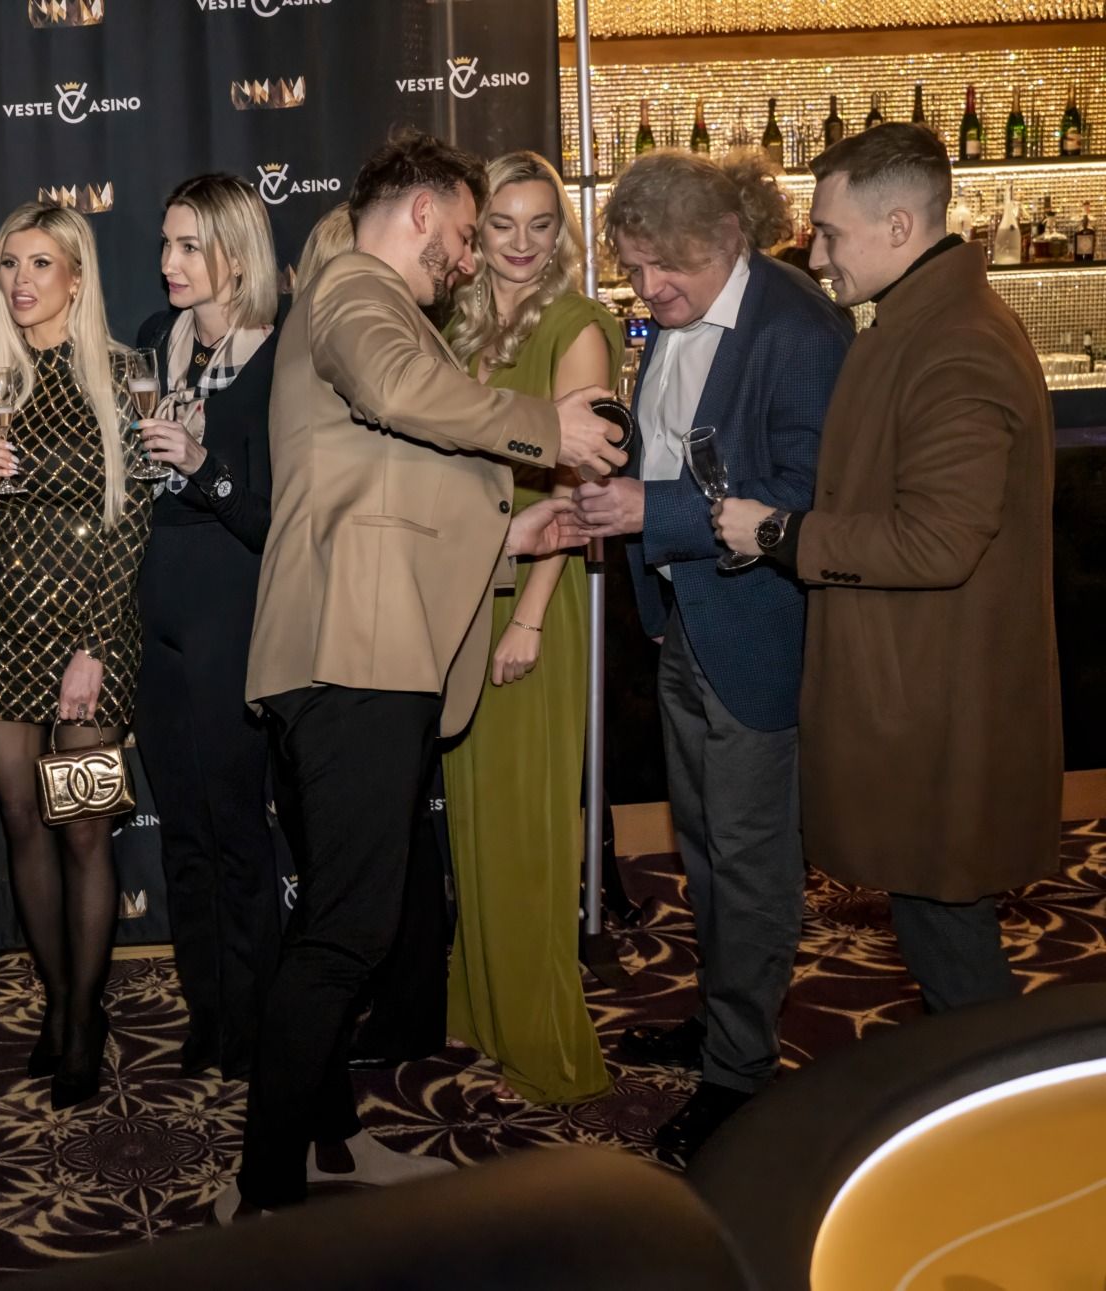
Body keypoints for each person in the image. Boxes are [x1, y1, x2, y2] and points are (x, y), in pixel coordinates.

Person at [224, 129, 623, 1222]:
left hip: (359, 645)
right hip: (353, 654)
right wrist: (547, 427)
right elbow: (400, 392)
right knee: (349, 932)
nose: (468, 256)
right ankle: (264, 1202)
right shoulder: (358, 289)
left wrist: (516, 532)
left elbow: (388, 487)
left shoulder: (367, 305)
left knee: (340, 918)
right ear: (421, 212)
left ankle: (330, 1145)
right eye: (463, 233)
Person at [712, 123, 1060, 1015]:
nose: (815, 255)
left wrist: (780, 532)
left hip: (939, 706)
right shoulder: (924, 323)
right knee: (938, 929)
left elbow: (938, 541)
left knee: (955, 955)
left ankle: (994, 1102)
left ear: (900, 226)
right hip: (922, 695)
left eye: (831, 233)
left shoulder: (956, 343)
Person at [572, 149, 852, 1161]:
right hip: (685, 616)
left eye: (665, 267)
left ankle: (739, 1071)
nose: (646, 290)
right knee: (701, 845)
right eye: (633, 268)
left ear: (729, 237)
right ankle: (720, 1018)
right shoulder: (680, 314)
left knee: (749, 859)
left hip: (756, 629)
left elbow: (803, 496)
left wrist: (648, 510)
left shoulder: (795, 329)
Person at [0, 201, 151, 1110]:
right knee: (22, 823)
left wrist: (95, 648)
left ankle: (82, 1014)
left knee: (83, 827)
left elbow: (132, 521)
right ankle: (61, 1002)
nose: (21, 281)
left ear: (77, 274)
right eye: (9, 264)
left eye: (40, 264)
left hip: (89, 637)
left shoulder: (124, 375)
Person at [441, 151, 624, 1106]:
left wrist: (534, 619)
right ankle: (485, 1010)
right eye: (502, 224)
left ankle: (547, 1040)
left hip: (533, 594)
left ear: (562, 233)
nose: (521, 243)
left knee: (530, 826)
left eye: (540, 224)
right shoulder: (459, 322)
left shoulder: (575, 327)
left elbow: (578, 482)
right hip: (469, 584)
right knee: (477, 819)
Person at [129, 174, 282, 1081]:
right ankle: (210, 1010)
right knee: (181, 828)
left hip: (234, 607)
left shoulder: (281, 356)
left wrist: (201, 464)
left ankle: (260, 1017)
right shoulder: (160, 341)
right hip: (156, 612)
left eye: (189, 246)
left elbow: (274, 518)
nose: (169, 262)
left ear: (236, 253)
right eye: (166, 243)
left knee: (236, 827)